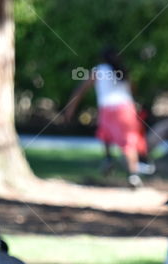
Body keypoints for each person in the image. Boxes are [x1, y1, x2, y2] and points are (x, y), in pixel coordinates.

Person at [64, 47, 155, 188]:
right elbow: (133, 89)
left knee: (105, 135)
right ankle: (133, 175)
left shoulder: (99, 70)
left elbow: (81, 89)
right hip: (126, 108)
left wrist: (70, 108)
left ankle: (108, 159)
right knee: (128, 142)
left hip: (108, 108)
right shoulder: (123, 71)